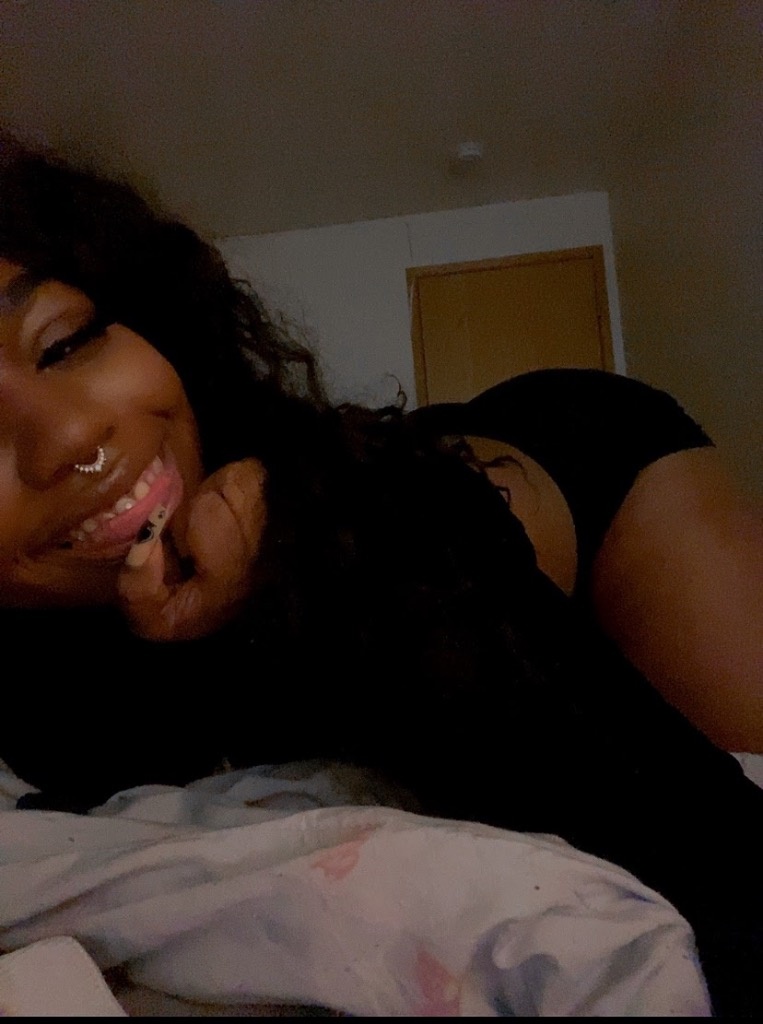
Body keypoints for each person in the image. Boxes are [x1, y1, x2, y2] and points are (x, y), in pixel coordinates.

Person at [1, 136, 761, 1015]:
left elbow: (704, 865)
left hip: (585, 472)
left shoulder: (371, 512)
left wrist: (315, 564)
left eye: (65, 343)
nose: (69, 436)